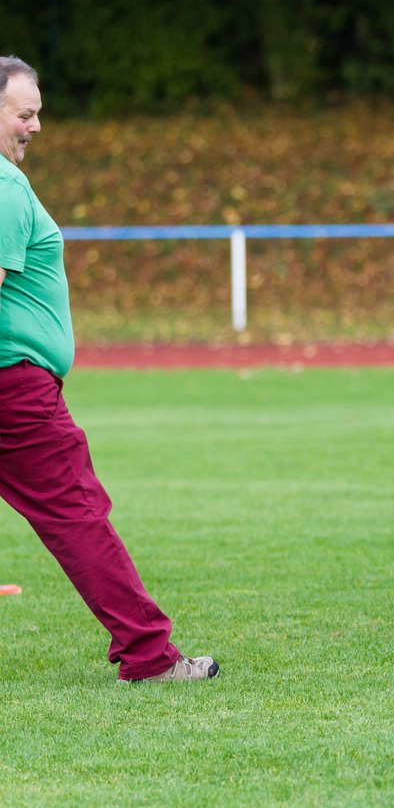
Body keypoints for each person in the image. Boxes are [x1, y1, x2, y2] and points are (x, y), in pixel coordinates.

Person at [0, 56, 218, 682]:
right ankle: (149, 656)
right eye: (26, 114)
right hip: (15, 391)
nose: (37, 126)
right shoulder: (6, 189)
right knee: (76, 515)